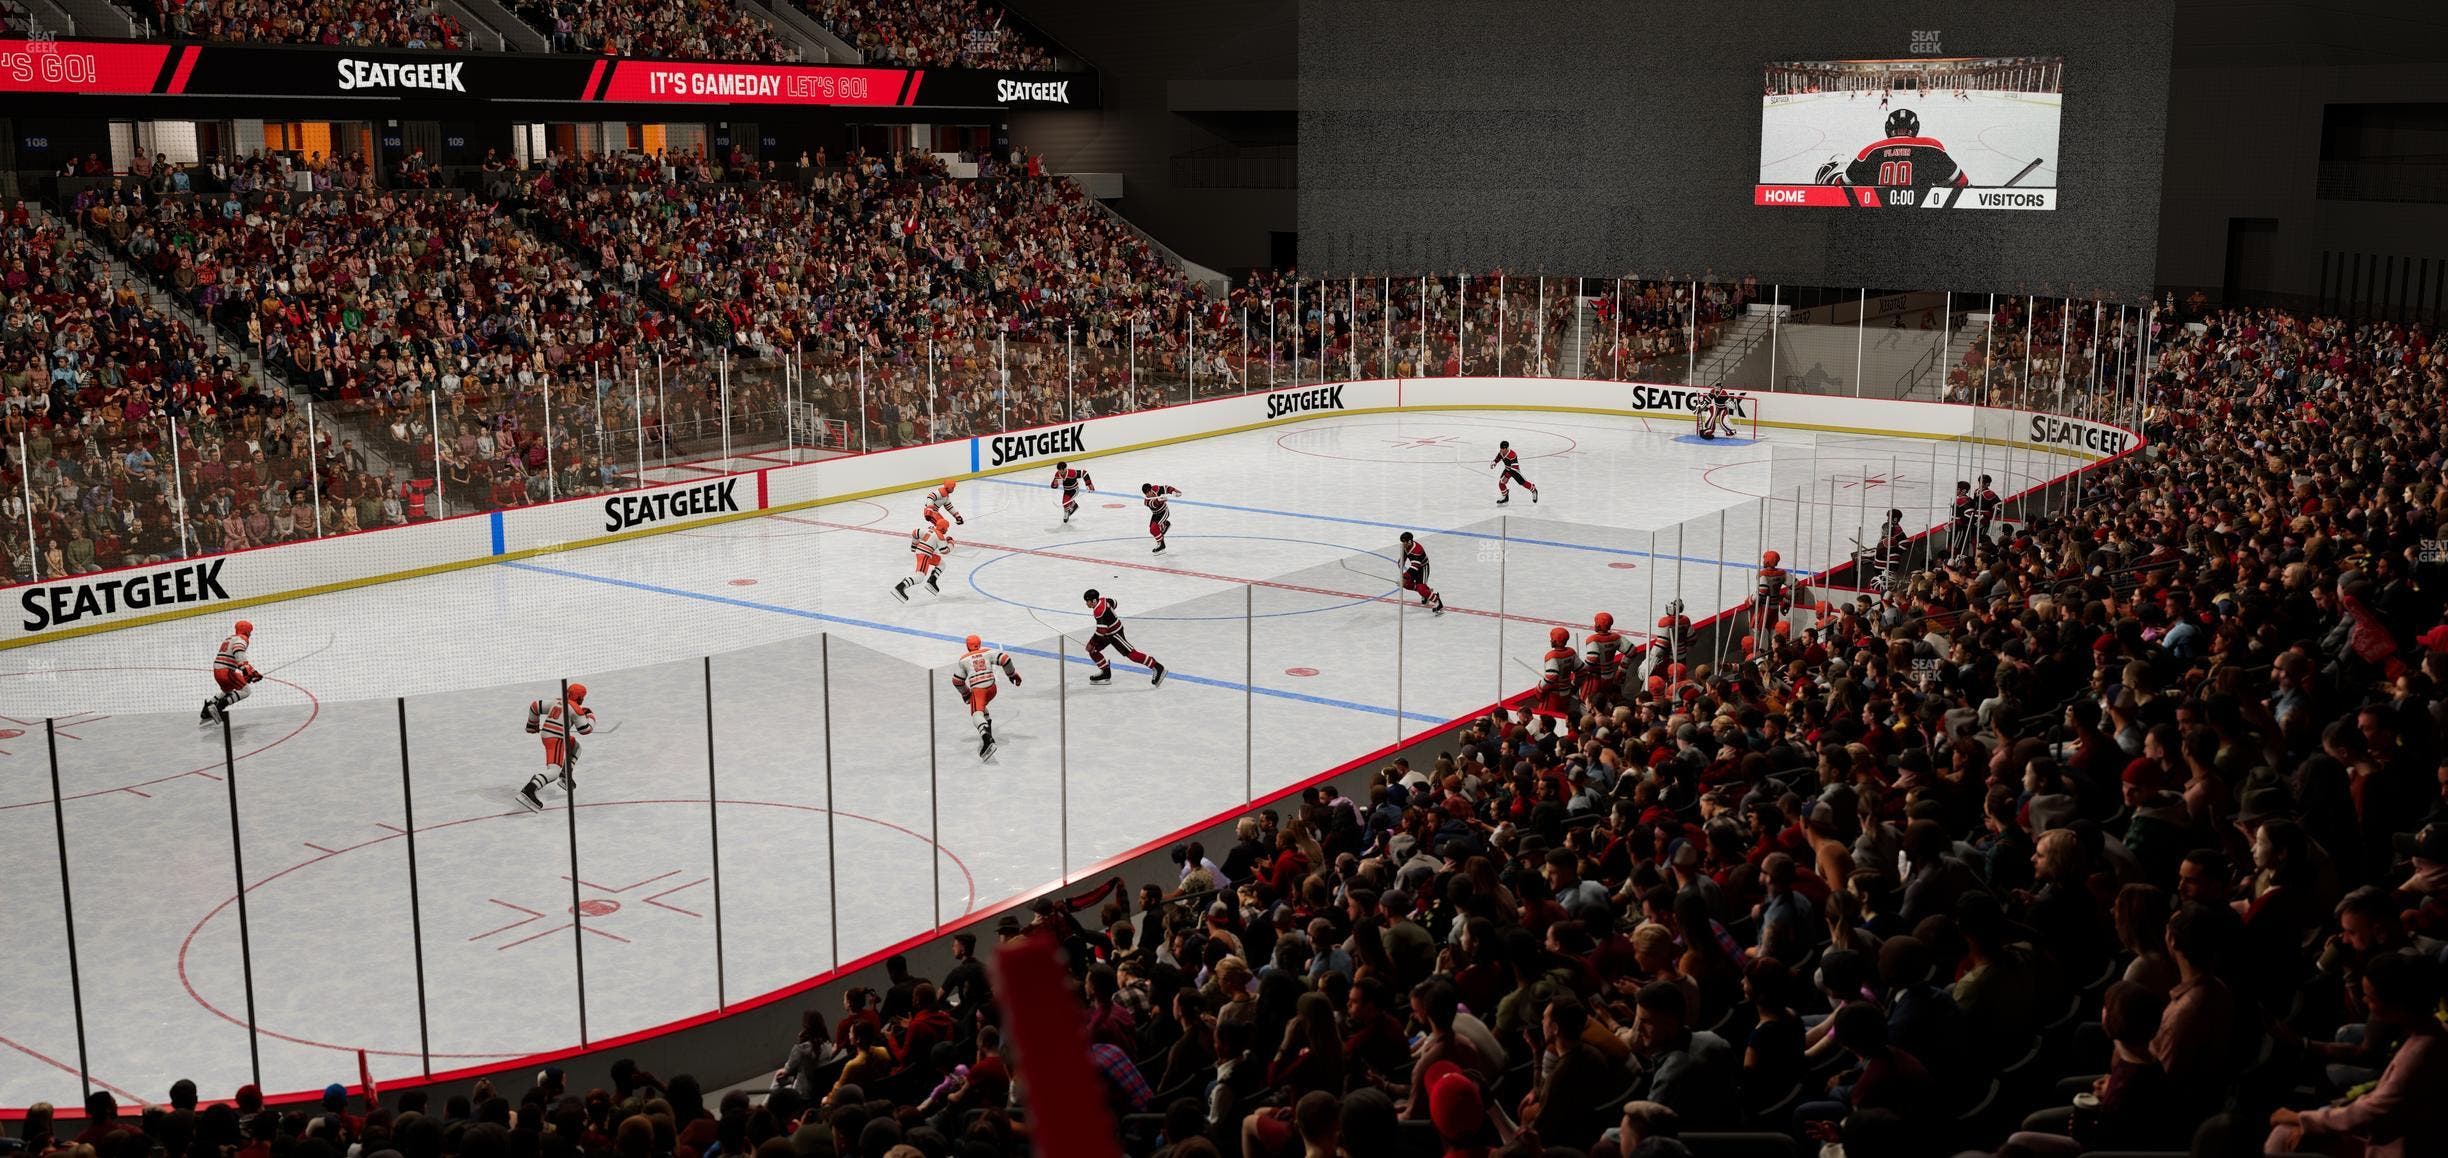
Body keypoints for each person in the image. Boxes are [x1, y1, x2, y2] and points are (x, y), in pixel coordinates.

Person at [2267, 953, 2448, 1158]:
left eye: (2370, 998)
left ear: (2397, 1006)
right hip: (2397, 1134)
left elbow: (2367, 1113)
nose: (2364, 1000)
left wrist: (2299, 1118)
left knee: (2279, 1141)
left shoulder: (2418, 1056)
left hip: (2399, 1148)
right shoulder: (2432, 1031)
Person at [517, 683, 594, 811]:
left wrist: (532, 724)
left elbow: (535, 706)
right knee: (553, 771)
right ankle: (529, 790)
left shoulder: (557, 701)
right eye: (583, 697)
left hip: (548, 735)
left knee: (575, 746)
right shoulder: (576, 709)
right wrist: (590, 716)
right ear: (580, 698)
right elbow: (585, 730)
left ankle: (566, 775)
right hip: (556, 739)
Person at [949, 634, 1021, 759]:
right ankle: (989, 733)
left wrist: (966, 694)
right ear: (979, 644)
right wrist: (1012, 674)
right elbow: (1005, 659)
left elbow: (957, 681)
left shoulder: (964, 660)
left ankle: (987, 740)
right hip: (992, 689)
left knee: (976, 713)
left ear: (967, 646)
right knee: (983, 709)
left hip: (979, 691)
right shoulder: (987, 652)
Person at [1082, 590, 1165, 686]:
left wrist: (1091, 643)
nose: (1086, 604)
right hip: (1109, 633)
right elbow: (1114, 602)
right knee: (1093, 650)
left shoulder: (1098, 611)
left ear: (1094, 601)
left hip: (1115, 634)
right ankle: (1106, 673)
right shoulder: (1104, 600)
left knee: (1132, 654)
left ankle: (1157, 667)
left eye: (1087, 601)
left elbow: (1101, 631)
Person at [200, 619, 260, 724]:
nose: (250, 634)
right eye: (250, 631)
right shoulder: (242, 638)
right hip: (226, 672)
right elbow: (238, 651)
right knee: (246, 691)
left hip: (217, 671)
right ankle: (219, 706)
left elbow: (231, 657)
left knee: (227, 690)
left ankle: (207, 709)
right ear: (246, 630)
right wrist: (245, 669)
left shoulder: (230, 638)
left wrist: (252, 671)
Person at [893, 524, 948, 603]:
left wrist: (914, 545)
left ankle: (932, 581)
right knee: (919, 577)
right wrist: (951, 542)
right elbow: (944, 551)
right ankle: (900, 587)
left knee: (941, 564)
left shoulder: (930, 529)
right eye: (946, 528)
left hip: (924, 553)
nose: (947, 530)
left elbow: (915, 532)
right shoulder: (940, 536)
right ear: (943, 528)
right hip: (925, 555)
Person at [1397, 532, 1445, 615]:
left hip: (1422, 568)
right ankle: (1426, 592)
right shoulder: (1405, 547)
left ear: (1409, 541)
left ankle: (1437, 602)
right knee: (1406, 584)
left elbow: (1415, 567)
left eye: (1404, 542)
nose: (1403, 544)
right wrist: (1401, 562)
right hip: (1415, 567)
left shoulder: (1417, 549)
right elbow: (1404, 558)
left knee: (1420, 588)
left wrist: (1404, 577)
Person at [1141, 483, 1181, 553]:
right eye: (1146, 493)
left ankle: (1161, 545)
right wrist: (1160, 500)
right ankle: (1165, 524)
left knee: (1154, 529)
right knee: (1152, 529)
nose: (1149, 494)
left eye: (1149, 492)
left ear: (1151, 489)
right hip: (1156, 514)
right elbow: (1154, 504)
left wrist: (1173, 491)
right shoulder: (1146, 501)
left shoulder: (1155, 489)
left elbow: (1166, 488)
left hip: (1164, 512)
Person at [924, 480, 963, 545]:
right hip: (930, 512)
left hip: (934, 512)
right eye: (952, 488)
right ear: (948, 487)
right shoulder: (940, 492)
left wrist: (957, 516)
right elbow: (930, 497)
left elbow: (949, 507)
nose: (953, 489)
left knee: (944, 525)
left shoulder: (946, 496)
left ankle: (933, 537)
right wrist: (929, 510)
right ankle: (934, 539)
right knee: (942, 526)